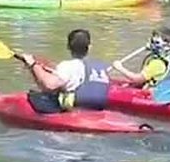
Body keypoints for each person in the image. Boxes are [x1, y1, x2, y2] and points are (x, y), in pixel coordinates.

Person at [16, 28, 146, 113]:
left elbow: (49, 85)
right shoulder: (102, 66)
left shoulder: (69, 66)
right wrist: (42, 66)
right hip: (97, 111)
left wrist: (33, 65)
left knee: (34, 95)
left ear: (68, 46)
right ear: (89, 47)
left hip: (75, 112)